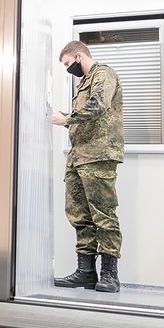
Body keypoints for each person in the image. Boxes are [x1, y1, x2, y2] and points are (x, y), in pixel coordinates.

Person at [51, 40, 124, 292]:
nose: (68, 69)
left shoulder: (104, 74)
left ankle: (110, 275)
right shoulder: (83, 82)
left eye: (68, 64)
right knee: (79, 215)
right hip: (78, 157)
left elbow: (99, 105)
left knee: (103, 214)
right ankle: (86, 272)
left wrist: (66, 119)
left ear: (79, 55)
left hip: (99, 155)